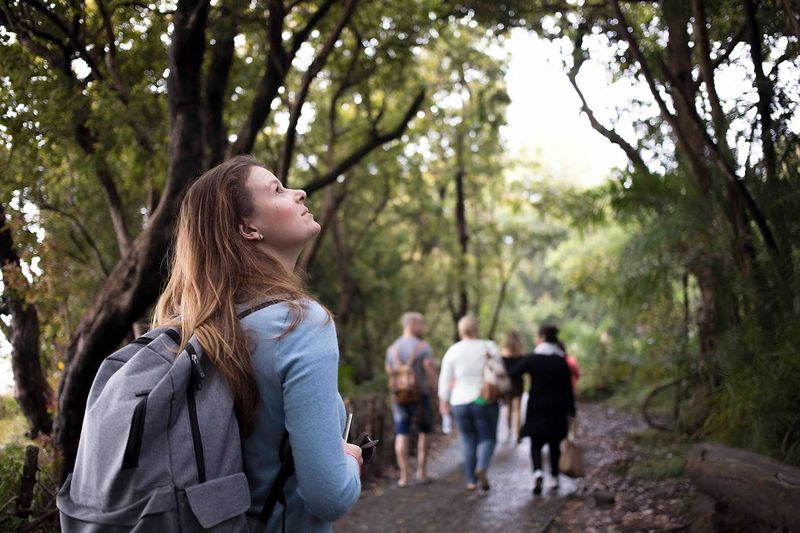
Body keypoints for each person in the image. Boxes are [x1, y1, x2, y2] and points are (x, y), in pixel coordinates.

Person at [153, 155, 361, 532]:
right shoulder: (297, 324)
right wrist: (353, 460)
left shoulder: (191, 328)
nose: (299, 193)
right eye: (277, 190)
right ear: (248, 228)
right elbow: (329, 496)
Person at [438, 314, 501, 491]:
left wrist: (444, 400)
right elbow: (499, 370)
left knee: (468, 440)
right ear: (476, 327)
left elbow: (445, 379)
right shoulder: (488, 346)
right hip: (484, 398)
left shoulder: (453, 350)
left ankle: (471, 481)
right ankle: (481, 466)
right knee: (487, 437)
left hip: (460, 401)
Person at [510, 324, 575, 495]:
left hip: (537, 405)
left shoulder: (533, 358)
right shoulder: (561, 360)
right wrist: (572, 410)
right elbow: (568, 388)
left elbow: (514, 372)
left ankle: (537, 472)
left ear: (542, 337)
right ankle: (554, 477)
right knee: (555, 444)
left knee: (536, 443)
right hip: (557, 407)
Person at [385, 312, 438, 487]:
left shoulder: (392, 349)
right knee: (425, 431)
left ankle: (404, 476)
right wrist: (436, 390)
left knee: (402, 432)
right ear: (412, 324)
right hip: (419, 395)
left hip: (399, 397)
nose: (422, 327)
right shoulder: (423, 347)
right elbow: (429, 370)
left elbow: (389, 372)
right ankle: (421, 471)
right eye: (420, 324)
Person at [500, 330, 526, 443]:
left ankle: (509, 432)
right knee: (518, 409)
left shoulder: (503, 353)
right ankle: (518, 433)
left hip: (507, 384)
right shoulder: (521, 354)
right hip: (518, 383)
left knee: (508, 409)